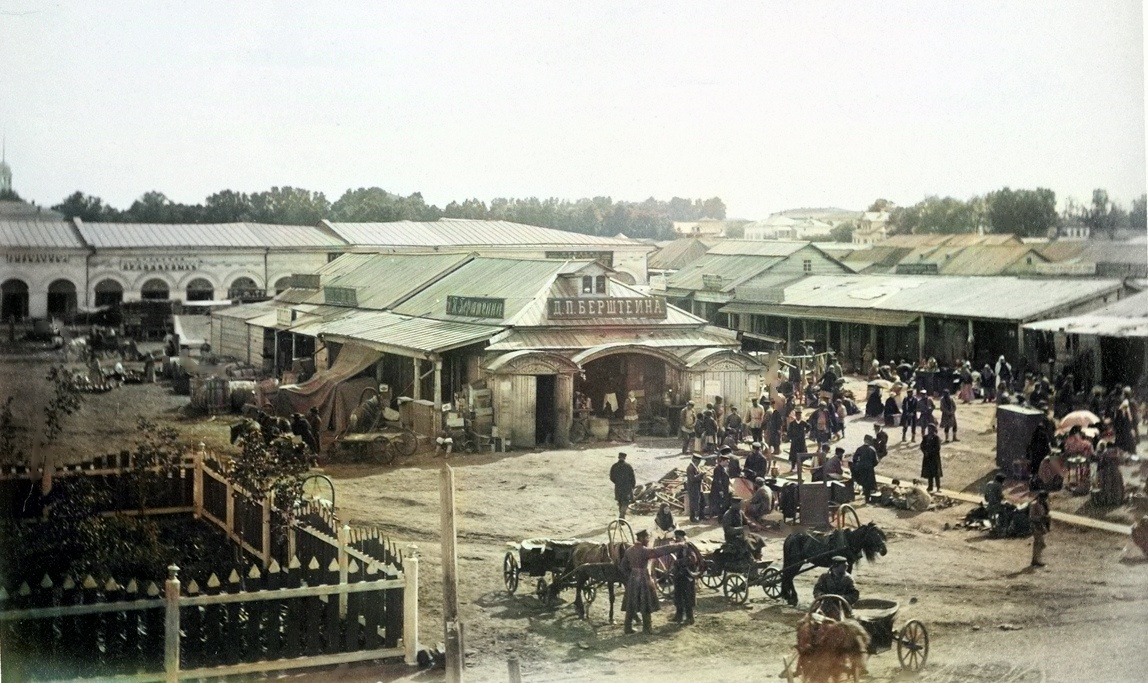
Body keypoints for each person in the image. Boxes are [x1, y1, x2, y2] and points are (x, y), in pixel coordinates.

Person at [620, 529, 683, 634]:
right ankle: (647, 629)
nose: (648, 540)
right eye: (647, 538)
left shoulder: (629, 550)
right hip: (644, 578)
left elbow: (622, 567)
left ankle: (627, 628)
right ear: (641, 538)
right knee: (645, 602)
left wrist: (631, 575)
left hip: (633, 579)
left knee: (631, 604)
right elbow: (661, 550)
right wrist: (679, 545)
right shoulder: (644, 551)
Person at [671, 529, 696, 625]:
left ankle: (690, 618)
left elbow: (691, 559)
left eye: (678, 538)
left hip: (686, 575)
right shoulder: (680, 546)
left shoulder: (686, 547)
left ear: (682, 538)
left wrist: (679, 562)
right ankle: (679, 616)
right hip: (679, 575)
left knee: (687, 597)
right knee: (678, 596)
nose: (676, 540)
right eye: (676, 538)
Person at [851, 436, 879, 503]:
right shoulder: (872, 449)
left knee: (863, 482)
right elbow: (876, 461)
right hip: (869, 469)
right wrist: (871, 465)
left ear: (864, 440)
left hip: (861, 468)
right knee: (869, 483)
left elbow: (854, 459)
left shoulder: (859, 449)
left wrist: (858, 465)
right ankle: (867, 497)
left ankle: (865, 493)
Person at [610, 452, 636, 519]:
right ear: (625, 458)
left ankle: (622, 517)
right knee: (626, 502)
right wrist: (632, 486)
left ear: (618, 457)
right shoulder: (628, 466)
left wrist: (617, 482)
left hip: (618, 487)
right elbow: (632, 477)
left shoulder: (614, 466)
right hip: (627, 487)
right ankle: (622, 516)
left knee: (620, 502)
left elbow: (611, 477)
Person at [1029, 490, 1050, 567]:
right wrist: (1041, 518)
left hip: (1040, 525)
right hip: (1035, 525)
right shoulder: (1034, 504)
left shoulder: (1042, 504)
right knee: (1039, 543)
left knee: (1039, 543)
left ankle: (1036, 560)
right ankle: (1036, 560)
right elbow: (1032, 516)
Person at [920, 424, 943, 492]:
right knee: (929, 473)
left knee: (936, 473)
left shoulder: (936, 438)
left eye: (931, 429)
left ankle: (938, 487)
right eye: (928, 429)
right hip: (927, 458)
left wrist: (930, 452)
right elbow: (922, 446)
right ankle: (930, 486)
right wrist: (925, 452)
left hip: (934, 458)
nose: (929, 430)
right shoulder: (925, 437)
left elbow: (937, 448)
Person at [685, 454, 706, 521]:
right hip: (693, 488)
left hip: (698, 487)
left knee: (702, 502)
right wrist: (701, 475)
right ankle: (693, 517)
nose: (699, 462)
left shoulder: (696, 467)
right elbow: (692, 479)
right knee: (694, 503)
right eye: (699, 461)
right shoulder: (690, 468)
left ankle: (701, 515)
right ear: (696, 461)